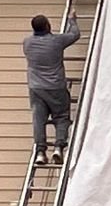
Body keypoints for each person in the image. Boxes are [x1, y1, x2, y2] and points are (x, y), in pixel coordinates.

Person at [23, 12, 81, 164]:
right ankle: (58, 148)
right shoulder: (56, 41)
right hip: (56, 87)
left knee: (39, 119)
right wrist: (72, 20)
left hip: (36, 88)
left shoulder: (27, 43)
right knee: (61, 117)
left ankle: (40, 152)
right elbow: (74, 35)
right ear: (48, 26)